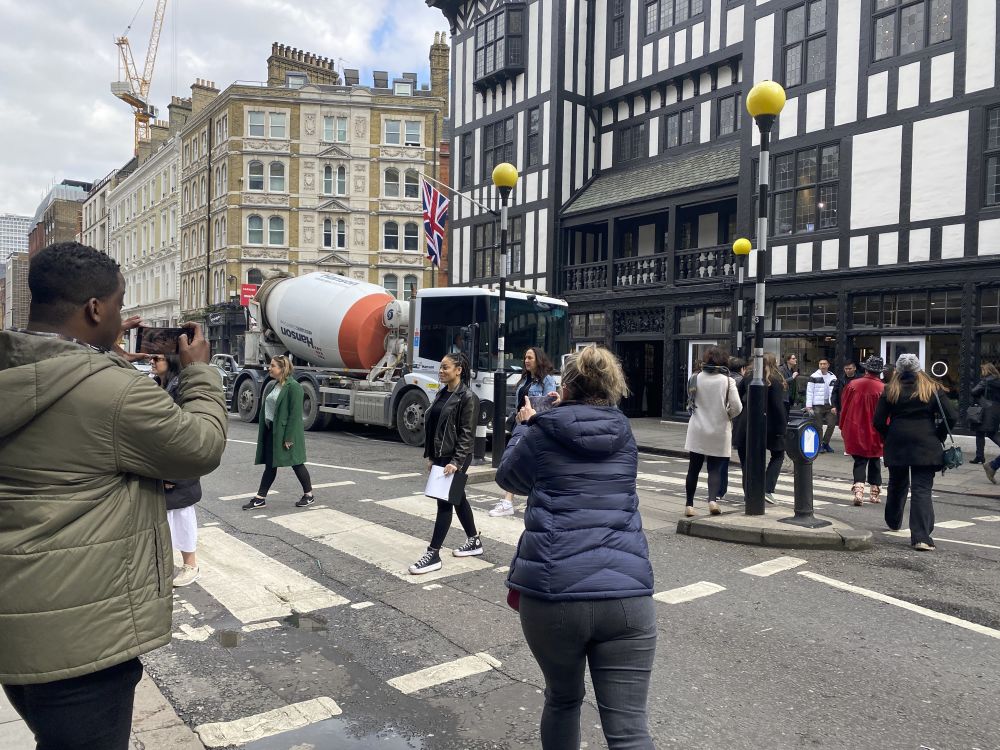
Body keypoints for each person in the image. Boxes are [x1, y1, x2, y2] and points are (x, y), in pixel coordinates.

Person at [0, 242, 227, 750]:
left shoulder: (12, 368)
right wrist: (199, 374)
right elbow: (200, 447)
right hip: (83, 636)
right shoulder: (115, 392)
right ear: (96, 309)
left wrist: (97, 356)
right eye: (119, 306)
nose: (122, 318)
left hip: (18, 627)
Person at [497, 345, 655, 750]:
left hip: (555, 592)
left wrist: (527, 424)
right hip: (627, 594)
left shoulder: (541, 430)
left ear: (564, 387)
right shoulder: (624, 433)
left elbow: (509, 479)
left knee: (564, 700)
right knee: (630, 731)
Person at [873, 354, 957, 551]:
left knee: (897, 482)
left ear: (899, 371)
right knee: (921, 490)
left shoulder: (890, 389)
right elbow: (951, 416)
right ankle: (921, 537)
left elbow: (878, 421)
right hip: (926, 442)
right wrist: (938, 435)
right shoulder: (932, 388)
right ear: (919, 370)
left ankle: (893, 520)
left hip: (897, 441)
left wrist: (889, 435)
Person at [409, 352, 482, 574]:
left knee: (444, 502)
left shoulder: (468, 397)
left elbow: (467, 434)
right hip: (442, 455)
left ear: (458, 370)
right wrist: (432, 456)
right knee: (458, 498)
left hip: (456, 456)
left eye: (445, 367)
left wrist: (457, 462)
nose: (441, 371)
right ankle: (474, 540)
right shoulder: (442, 393)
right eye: (440, 368)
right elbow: (436, 429)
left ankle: (433, 554)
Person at [152, 353, 204, 586]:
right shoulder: (155, 386)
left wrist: (173, 473)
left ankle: (190, 565)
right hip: (160, 464)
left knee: (181, 514)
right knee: (164, 516)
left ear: (171, 361)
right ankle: (167, 564)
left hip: (177, 467)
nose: (152, 361)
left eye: (157, 358)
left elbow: (183, 434)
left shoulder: (179, 389)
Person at [490, 347, 558, 517]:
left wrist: (535, 420)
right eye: (525, 358)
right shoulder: (525, 379)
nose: (526, 361)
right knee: (519, 460)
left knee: (517, 459)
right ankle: (510, 501)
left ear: (539, 360)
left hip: (533, 424)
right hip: (520, 423)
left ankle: (508, 501)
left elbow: (547, 404)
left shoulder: (547, 380)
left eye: (530, 358)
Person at [242, 356, 315, 510]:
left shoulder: (294, 387)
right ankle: (260, 498)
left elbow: (295, 416)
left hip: (286, 434)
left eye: (273, 366)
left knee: (296, 463)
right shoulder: (276, 385)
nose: (269, 368)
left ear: (283, 369)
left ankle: (309, 495)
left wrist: (288, 438)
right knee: (270, 465)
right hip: (272, 431)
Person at [684, 347, 742, 516]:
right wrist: (727, 415)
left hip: (697, 428)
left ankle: (689, 505)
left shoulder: (695, 378)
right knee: (715, 469)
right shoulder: (727, 381)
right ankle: (712, 501)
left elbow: (690, 401)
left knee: (693, 468)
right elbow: (737, 407)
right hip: (719, 428)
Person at [839, 355, 885, 506]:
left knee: (859, 460)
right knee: (875, 459)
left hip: (856, 426)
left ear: (866, 369)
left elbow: (844, 406)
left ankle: (859, 490)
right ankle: (874, 493)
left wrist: (842, 424)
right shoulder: (883, 388)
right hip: (876, 429)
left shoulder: (853, 385)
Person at [719, 357, 748, 502]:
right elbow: (738, 405)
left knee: (721, 459)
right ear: (742, 369)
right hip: (737, 423)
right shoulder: (740, 381)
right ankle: (748, 492)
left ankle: (719, 491)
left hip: (721, 423)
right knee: (745, 462)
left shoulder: (722, 380)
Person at [970, 362, 1000, 466]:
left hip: (985, 411)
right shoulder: (998, 380)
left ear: (987, 370)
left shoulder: (986, 381)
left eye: (983, 370)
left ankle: (980, 457)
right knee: (981, 432)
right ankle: (979, 456)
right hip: (996, 410)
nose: (982, 372)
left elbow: (974, 391)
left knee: (990, 434)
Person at [806, 358, 838, 453]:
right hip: (817, 405)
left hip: (830, 405)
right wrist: (809, 405)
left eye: (824, 364)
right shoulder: (814, 376)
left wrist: (835, 405)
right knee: (818, 426)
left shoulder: (833, 377)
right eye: (821, 364)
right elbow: (809, 391)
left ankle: (825, 443)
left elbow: (836, 392)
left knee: (831, 425)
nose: (822, 365)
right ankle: (819, 445)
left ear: (828, 365)